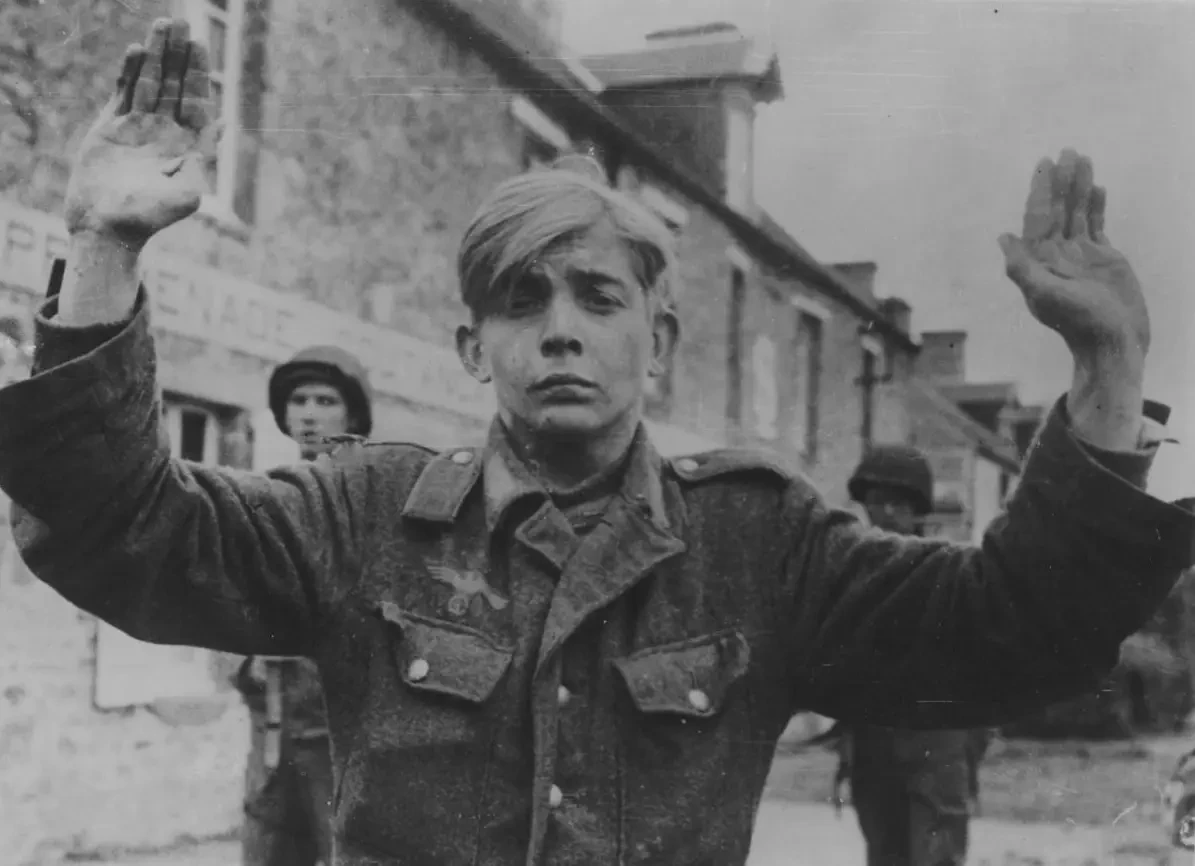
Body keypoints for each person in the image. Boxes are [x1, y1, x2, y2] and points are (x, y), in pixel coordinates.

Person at [0, 20, 1192, 866]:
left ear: (656, 341)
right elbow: (125, 529)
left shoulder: (759, 543)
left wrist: (1106, 368)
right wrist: (103, 245)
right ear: (474, 349)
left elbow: (1012, 626)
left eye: (597, 297)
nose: (560, 328)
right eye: (521, 301)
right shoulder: (363, 516)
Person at [233, 346, 374, 866]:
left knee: (342, 846)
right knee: (266, 845)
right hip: (271, 704)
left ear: (353, 414)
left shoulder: (370, 493)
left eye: (326, 401)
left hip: (337, 715)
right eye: (299, 401)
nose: (310, 414)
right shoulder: (272, 492)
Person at [831, 444, 993, 866]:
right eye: (875, 501)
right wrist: (847, 750)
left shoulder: (950, 571)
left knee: (935, 858)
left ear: (918, 510)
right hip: (873, 745)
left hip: (936, 742)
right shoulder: (852, 577)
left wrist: (965, 755)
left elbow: (984, 671)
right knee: (884, 856)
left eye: (897, 503)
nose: (884, 513)